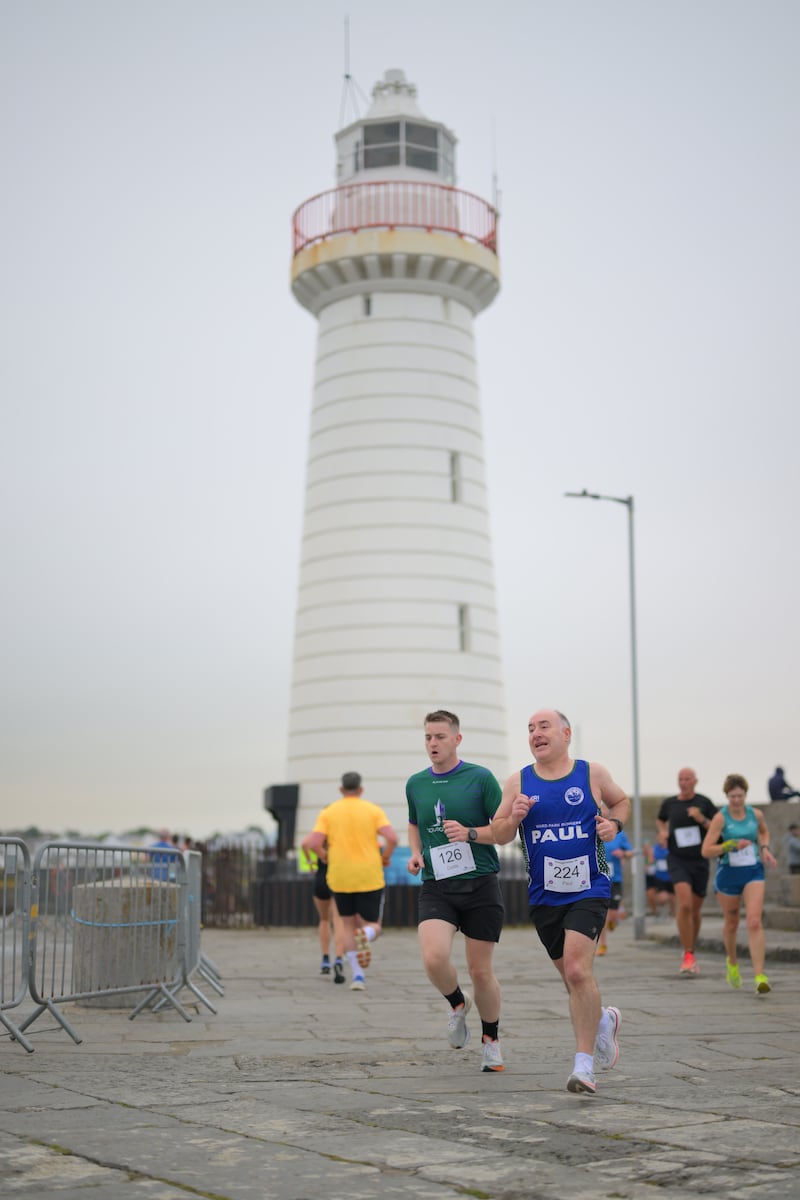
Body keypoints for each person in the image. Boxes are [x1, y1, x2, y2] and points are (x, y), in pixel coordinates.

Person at [492, 708, 630, 1096]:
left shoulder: (592, 774)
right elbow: (501, 834)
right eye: (531, 729)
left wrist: (614, 825)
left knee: (576, 970)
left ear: (566, 734)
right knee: (573, 979)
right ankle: (602, 1019)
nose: (536, 733)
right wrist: (514, 815)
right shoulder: (518, 781)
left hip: (590, 888)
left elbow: (621, 802)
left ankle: (584, 1066)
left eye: (544, 727)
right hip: (544, 896)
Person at [406, 710, 505, 1073]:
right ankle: (456, 1002)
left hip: (480, 884)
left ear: (457, 739)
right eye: (428, 737)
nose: (433, 743)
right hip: (437, 886)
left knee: (481, 971)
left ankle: (491, 1040)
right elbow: (414, 823)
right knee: (433, 958)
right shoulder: (415, 783)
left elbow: (504, 831)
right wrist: (416, 853)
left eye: (440, 737)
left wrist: (470, 833)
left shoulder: (480, 778)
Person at [301, 772, 397, 991]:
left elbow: (313, 842)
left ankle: (358, 977)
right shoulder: (373, 810)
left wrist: (324, 857)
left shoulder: (329, 812)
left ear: (341, 790)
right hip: (369, 876)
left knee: (346, 925)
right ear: (360, 790)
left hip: (339, 877)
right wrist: (385, 857)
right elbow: (392, 837)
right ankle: (367, 934)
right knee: (373, 925)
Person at [701, 773, 777, 994]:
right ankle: (732, 963)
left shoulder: (756, 814)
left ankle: (759, 975)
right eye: (732, 796)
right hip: (728, 874)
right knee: (732, 922)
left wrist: (764, 848)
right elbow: (706, 850)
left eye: (740, 796)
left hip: (753, 870)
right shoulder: (720, 818)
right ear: (727, 796)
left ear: (746, 794)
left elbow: (763, 832)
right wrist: (731, 844)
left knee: (754, 921)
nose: (737, 800)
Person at [656, 768, 717, 976]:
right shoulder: (670, 803)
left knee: (695, 910)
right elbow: (660, 819)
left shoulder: (704, 802)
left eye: (687, 779)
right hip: (677, 858)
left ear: (695, 781)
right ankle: (688, 953)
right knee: (684, 904)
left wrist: (701, 819)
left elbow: (718, 828)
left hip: (699, 860)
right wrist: (663, 832)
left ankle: (691, 948)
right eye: (680, 779)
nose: (683, 782)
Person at [301, 843, 346, 983]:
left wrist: (314, 860)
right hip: (338, 877)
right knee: (339, 920)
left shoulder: (322, 833)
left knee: (324, 919)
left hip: (321, 878)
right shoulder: (340, 834)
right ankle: (338, 958)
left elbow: (305, 844)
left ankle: (325, 959)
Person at [596, 828, 633, 955]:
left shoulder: (619, 834)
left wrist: (623, 853)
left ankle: (613, 920)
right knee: (603, 915)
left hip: (615, 879)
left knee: (612, 914)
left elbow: (630, 852)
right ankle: (603, 944)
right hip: (600, 879)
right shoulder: (593, 830)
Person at [644, 830, 675, 918]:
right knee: (663, 898)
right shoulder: (654, 849)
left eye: (664, 838)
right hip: (660, 878)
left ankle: (673, 914)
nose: (662, 839)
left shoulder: (671, 849)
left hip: (671, 877)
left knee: (673, 899)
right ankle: (657, 911)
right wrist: (648, 855)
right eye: (660, 837)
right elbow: (650, 863)